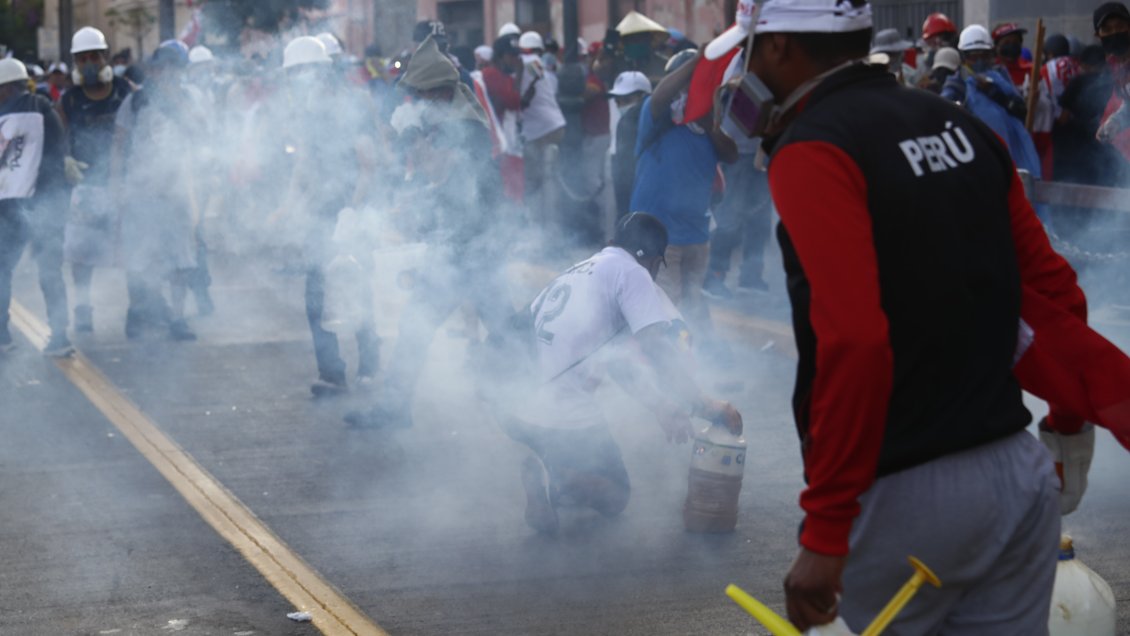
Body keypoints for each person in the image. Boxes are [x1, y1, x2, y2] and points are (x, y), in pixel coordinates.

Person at [709, 0, 1091, 630]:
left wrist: (826, 530)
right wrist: (1067, 431)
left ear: (778, 46)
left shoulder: (812, 149)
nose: (742, 71)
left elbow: (856, 341)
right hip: (1015, 476)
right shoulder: (960, 125)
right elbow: (1058, 298)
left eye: (746, 50)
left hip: (906, 503)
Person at [502, 212, 742, 533]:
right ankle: (554, 480)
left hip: (512, 404)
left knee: (581, 465)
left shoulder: (581, 270)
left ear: (614, 242)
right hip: (560, 412)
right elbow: (656, 349)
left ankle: (553, 469)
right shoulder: (633, 273)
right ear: (654, 261)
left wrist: (661, 406)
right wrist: (702, 403)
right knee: (616, 496)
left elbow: (616, 364)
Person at [345, 35, 512, 429]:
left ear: (438, 92)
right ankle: (395, 408)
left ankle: (542, 392)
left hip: (473, 244)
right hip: (461, 241)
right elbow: (441, 187)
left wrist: (417, 146)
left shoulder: (464, 125)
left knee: (501, 328)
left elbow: (445, 175)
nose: (416, 102)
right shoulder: (448, 120)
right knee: (493, 327)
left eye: (420, 95)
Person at [270, 36, 380, 398]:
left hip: (352, 213)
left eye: (302, 71)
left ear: (320, 71)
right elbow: (304, 162)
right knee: (316, 295)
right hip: (320, 214)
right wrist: (288, 205)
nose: (298, 80)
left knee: (356, 286)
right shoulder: (306, 110)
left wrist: (351, 210)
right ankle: (331, 374)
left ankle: (370, 364)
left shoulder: (352, 104)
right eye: (293, 74)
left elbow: (368, 164)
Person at [630, 49, 737, 337]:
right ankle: (662, 361)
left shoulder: (708, 124)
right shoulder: (656, 115)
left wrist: (709, 124)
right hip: (658, 235)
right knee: (665, 307)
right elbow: (661, 95)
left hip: (696, 234)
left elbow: (731, 153)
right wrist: (701, 60)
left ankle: (696, 356)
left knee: (692, 305)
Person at [111, 40, 201, 341]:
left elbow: (201, 135)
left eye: (175, 68)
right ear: (154, 70)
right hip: (141, 191)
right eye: (163, 67)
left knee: (181, 258)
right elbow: (119, 146)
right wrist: (116, 183)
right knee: (141, 257)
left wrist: (179, 105)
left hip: (177, 192)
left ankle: (177, 317)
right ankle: (139, 311)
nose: (169, 73)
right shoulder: (135, 102)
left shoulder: (188, 99)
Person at [58, 26, 134, 334]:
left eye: (94, 56)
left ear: (105, 57)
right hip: (86, 186)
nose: (89, 63)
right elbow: (60, 136)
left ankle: (139, 308)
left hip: (124, 184)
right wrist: (65, 159)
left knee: (131, 248)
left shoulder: (125, 91)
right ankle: (83, 307)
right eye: (82, 58)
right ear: (75, 63)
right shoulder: (69, 100)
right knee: (81, 254)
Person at [0, 58, 72, 356]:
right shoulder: (44, 108)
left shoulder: (3, 117)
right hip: (45, 204)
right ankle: (60, 337)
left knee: (2, 269)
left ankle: (2, 337)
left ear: (6, 88)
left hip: (10, 208)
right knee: (50, 271)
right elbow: (60, 154)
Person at [942, 25, 1042, 179]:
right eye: (974, 57)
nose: (980, 61)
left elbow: (1020, 110)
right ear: (963, 57)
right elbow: (945, 115)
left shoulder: (1000, 76)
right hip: (978, 158)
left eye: (984, 56)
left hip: (1011, 156)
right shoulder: (957, 83)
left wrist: (994, 92)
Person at [517, 31, 566, 224]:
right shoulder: (539, 64)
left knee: (533, 182)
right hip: (556, 125)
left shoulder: (525, 61)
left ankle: (537, 224)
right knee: (551, 178)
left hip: (538, 130)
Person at [480, 36, 525, 202]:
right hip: (494, 143)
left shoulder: (503, 76)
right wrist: (519, 75)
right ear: (500, 56)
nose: (515, 60)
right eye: (511, 56)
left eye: (516, 56)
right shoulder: (491, 75)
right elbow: (513, 101)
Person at [1031, 34, 1081, 178]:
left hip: (1055, 126)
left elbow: (1046, 95)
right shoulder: (1077, 64)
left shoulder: (1047, 69)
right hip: (1078, 125)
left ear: (1050, 53)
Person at [608, 70, 651, 218]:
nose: (620, 105)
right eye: (617, 101)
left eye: (626, 100)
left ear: (643, 97)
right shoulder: (623, 123)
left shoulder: (644, 122)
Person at [1094, 2, 1130, 162]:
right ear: (1098, 35)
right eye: (1107, 29)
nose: (1114, 33)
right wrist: (1116, 121)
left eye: (1120, 26)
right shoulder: (1115, 64)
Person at [992, 23, 1033, 93]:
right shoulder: (990, 72)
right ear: (996, 47)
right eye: (1006, 43)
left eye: (1015, 42)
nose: (1011, 46)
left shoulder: (1031, 70)